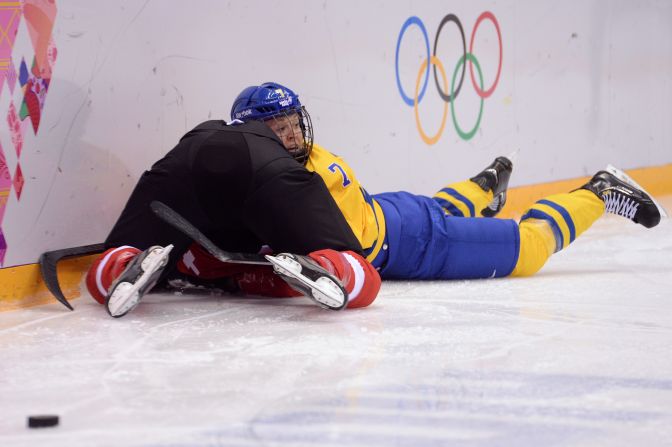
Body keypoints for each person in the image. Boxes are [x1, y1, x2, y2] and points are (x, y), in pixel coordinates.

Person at [175, 82, 665, 288]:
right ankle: (485, 186)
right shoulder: (292, 167)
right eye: (276, 130)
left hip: (411, 245)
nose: (289, 136)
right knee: (435, 205)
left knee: (531, 248)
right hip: (390, 211)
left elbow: (296, 252)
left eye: (291, 125)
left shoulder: (304, 176)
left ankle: (598, 190)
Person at [85, 104, 381, 317]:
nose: (292, 134)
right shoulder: (300, 163)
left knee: (123, 251)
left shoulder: (213, 133)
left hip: (184, 161)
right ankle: (329, 268)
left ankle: (119, 265)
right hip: (265, 172)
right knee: (361, 273)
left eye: (293, 124)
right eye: (282, 127)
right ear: (265, 130)